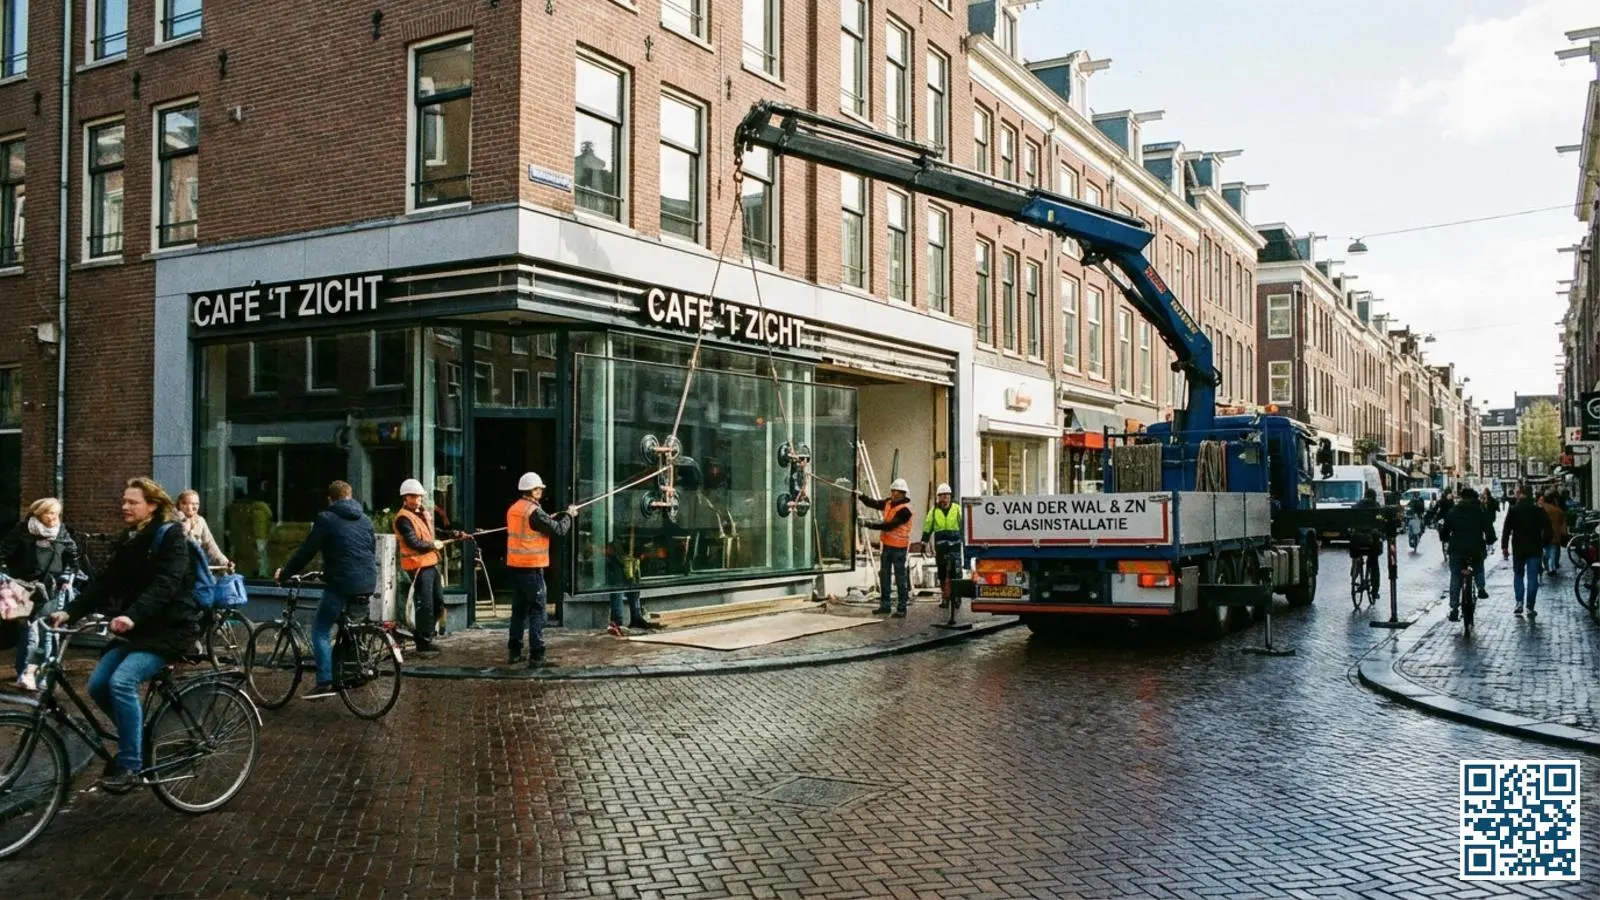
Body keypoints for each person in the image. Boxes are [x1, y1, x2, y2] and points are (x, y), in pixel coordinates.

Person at [50, 478, 198, 790]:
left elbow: (167, 584)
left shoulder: (171, 536)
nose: (124, 506)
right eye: (123, 501)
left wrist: (132, 615)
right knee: (98, 685)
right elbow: (106, 582)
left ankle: (131, 764)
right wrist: (69, 612)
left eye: (132, 502)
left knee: (122, 681)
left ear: (152, 505)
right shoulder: (131, 538)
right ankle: (137, 740)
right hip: (140, 629)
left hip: (169, 628)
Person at [275, 480, 379, 699]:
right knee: (351, 627)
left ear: (330, 499)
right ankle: (352, 670)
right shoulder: (366, 519)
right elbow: (365, 550)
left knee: (320, 629)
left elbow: (306, 551)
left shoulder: (327, 519)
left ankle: (324, 681)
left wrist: (284, 574)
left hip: (342, 583)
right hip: (367, 582)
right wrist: (328, 570)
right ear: (350, 496)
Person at [2, 498, 80, 691]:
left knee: (45, 632)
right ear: (38, 513)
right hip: (24, 588)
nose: (53, 517)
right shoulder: (23, 531)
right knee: (30, 631)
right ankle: (27, 674)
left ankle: (39, 676)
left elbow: (73, 557)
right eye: (49, 513)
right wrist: (9, 579)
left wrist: (67, 576)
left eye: (56, 513)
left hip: (52, 589)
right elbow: (3, 553)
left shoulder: (61, 532)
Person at [506, 472, 575, 668]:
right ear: (533, 490)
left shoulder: (514, 509)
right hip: (532, 567)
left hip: (515, 566)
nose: (541, 491)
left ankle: (514, 652)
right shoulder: (534, 512)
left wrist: (547, 518)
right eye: (539, 489)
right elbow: (560, 530)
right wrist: (569, 515)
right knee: (537, 611)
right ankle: (537, 655)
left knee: (518, 611)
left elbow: (534, 526)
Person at [393, 479, 453, 655]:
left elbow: (431, 533)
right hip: (417, 565)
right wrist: (433, 545)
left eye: (419, 496)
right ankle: (423, 643)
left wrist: (453, 534)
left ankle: (427, 637)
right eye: (415, 496)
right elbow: (414, 542)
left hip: (430, 563)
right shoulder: (403, 518)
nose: (419, 499)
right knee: (425, 604)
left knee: (437, 602)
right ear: (406, 498)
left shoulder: (421, 514)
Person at [858, 478, 914, 617]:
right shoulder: (889, 503)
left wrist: (870, 524)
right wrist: (861, 496)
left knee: (900, 579)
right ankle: (885, 606)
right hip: (888, 546)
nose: (894, 493)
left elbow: (890, 525)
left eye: (897, 492)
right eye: (893, 491)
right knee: (885, 576)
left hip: (899, 549)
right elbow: (875, 503)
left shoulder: (905, 510)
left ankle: (901, 609)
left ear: (903, 494)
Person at [1440, 487, 1496, 622]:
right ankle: (1481, 587)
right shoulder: (1480, 511)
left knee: (1455, 576)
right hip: (1476, 548)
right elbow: (1489, 529)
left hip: (1457, 549)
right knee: (1478, 565)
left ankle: (1454, 608)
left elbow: (1445, 530)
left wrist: (1445, 537)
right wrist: (1490, 539)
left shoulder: (1454, 511)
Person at [1501, 486, 1553, 618]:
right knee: (1532, 578)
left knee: (1518, 575)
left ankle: (1519, 602)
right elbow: (1548, 529)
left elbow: (1506, 529)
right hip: (1535, 548)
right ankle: (1530, 605)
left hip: (1519, 548)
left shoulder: (1514, 510)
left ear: (1521, 495)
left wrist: (1505, 547)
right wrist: (1543, 543)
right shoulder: (1538, 511)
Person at [920, 483, 963, 606]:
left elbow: (963, 525)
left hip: (954, 544)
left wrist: (964, 541)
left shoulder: (957, 509)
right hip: (941, 546)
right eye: (942, 496)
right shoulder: (934, 511)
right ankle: (945, 596)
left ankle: (956, 597)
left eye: (946, 496)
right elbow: (928, 527)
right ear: (938, 498)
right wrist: (924, 543)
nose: (944, 499)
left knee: (956, 572)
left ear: (950, 497)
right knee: (942, 572)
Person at [176, 490, 230, 569]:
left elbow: (210, 544)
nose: (190, 507)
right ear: (179, 505)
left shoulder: (200, 521)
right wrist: (184, 520)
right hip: (179, 563)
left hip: (196, 563)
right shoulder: (174, 520)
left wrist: (225, 563)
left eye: (195, 504)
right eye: (185, 503)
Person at [1349, 488, 1383, 597]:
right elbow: (1380, 521)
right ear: (1374, 496)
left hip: (1357, 541)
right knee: (1374, 562)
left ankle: (1355, 572)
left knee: (1356, 556)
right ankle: (1375, 591)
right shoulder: (1376, 505)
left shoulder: (1358, 505)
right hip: (1371, 541)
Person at [1539, 492, 1568, 575]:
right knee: (1553, 551)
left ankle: (1547, 566)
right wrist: (1563, 531)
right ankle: (1552, 567)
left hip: (1543, 533)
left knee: (1546, 551)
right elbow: (1562, 521)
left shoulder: (1540, 508)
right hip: (1554, 533)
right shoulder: (1557, 510)